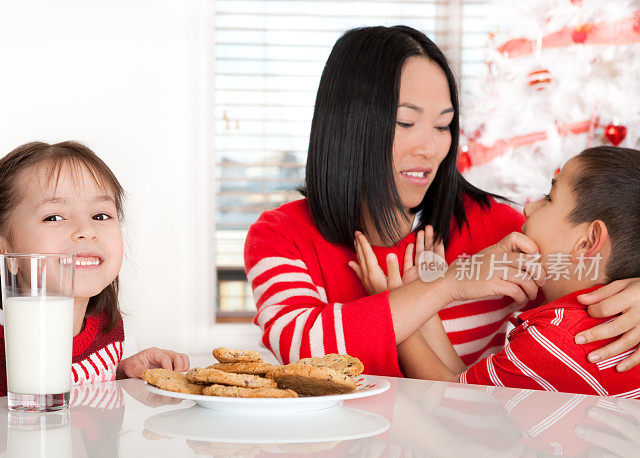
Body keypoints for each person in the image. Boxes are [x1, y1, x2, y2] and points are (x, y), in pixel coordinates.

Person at [243, 25, 640, 375]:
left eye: (443, 125)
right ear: (351, 126)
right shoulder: (281, 236)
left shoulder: (504, 233)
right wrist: (448, 285)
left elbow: (599, 265)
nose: (431, 148)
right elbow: (301, 353)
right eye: (406, 122)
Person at [0, 141, 189, 407]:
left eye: (100, 215)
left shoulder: (107, 327)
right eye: (54, 217)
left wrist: (120, 374)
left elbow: (83, 406)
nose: (87, 230)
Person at [375, 146, 640, 396]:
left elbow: (452, 400)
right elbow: (467, 387)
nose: (528, 207)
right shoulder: (613, 323)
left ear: (587, 242)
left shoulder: (553, 340)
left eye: (549, 199)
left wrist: (395, 313)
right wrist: (425, 300)